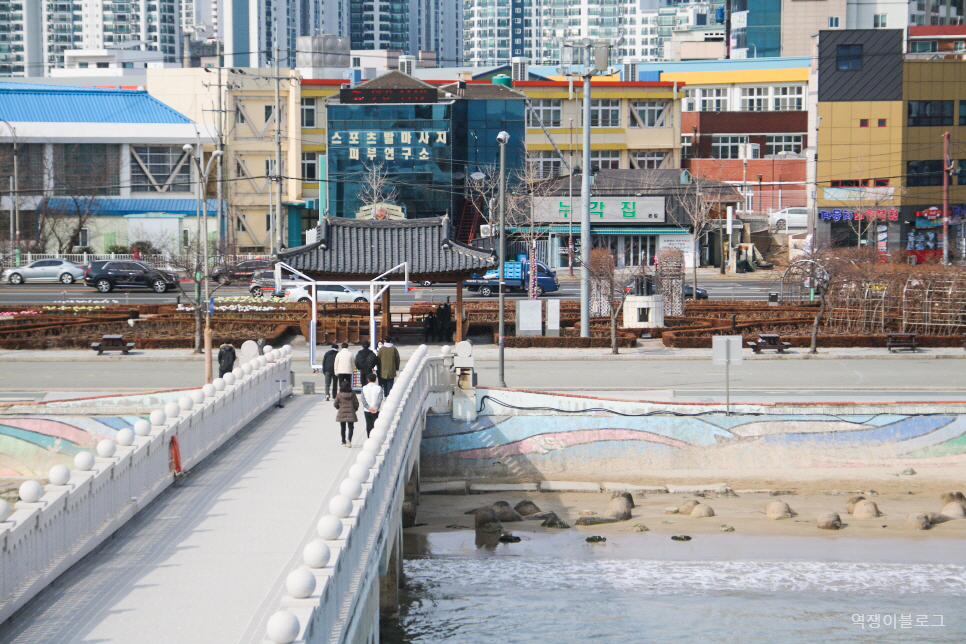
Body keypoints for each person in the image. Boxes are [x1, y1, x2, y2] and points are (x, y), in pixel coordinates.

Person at [333, 381, 359, 447]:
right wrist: (354, 409)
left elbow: (335, 404)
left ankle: (343, 441)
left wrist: (339, 408)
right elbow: (356, 404)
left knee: (342, 427)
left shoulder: (339, 395)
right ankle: (349, 439)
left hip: (342, 412)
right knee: (351, 427)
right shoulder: (353, 394)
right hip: (351, 412)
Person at [360, 372, 384, 438]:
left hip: (367, 410)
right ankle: (375, 437)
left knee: (368, 424)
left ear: (368, 380)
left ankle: (369, 437)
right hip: (376, 410)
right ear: (375, 379)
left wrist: (368, 408)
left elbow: (363, 399)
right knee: (375, 424)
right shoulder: (379, 388)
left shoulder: (364, 388)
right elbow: (380, 399)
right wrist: (376, 408)